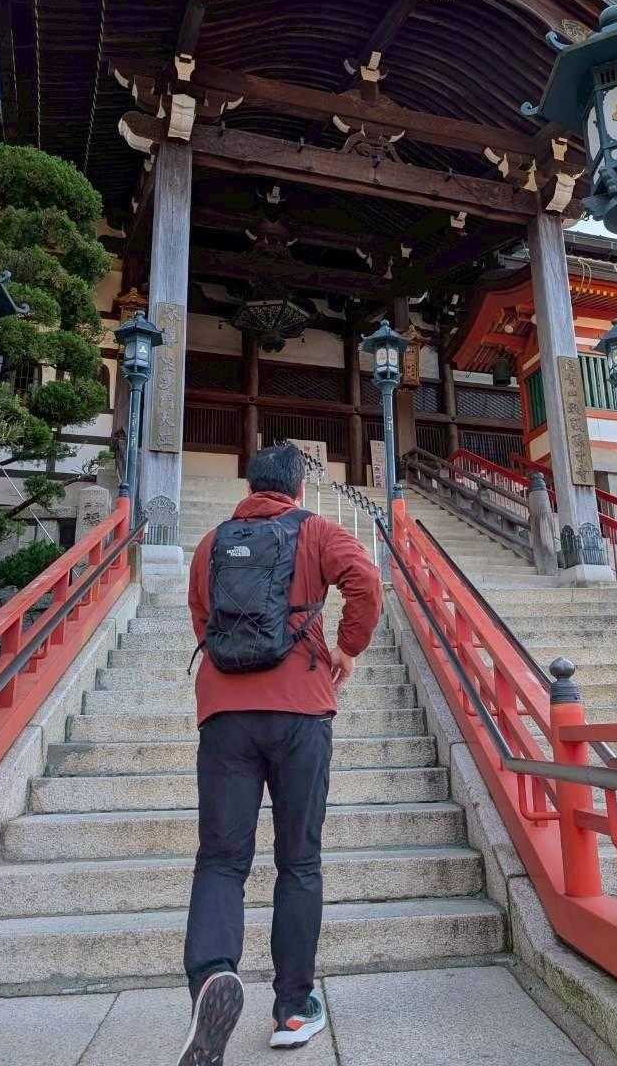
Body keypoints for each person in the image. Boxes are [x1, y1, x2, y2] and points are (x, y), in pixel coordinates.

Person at [176, 443, 383, 1065]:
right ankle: (292, 1007)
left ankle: (213, 974)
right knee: (298, 861)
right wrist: (347, 647)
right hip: (300, 711)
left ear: (249, 486)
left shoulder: (212, 543)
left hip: (224, 715)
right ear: (297, 488)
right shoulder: (315, 531)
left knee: (221, 860)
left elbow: (201, 617)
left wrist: (235, 659)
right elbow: (366, 580)